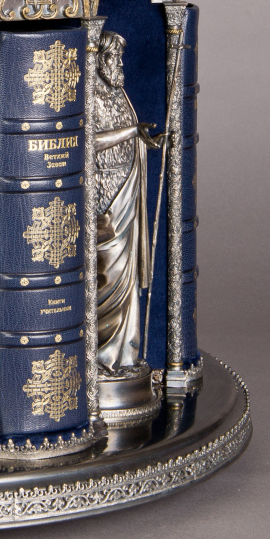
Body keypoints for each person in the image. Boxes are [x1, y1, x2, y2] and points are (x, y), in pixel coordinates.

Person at [93, 29, 162, 373]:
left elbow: (130, 134)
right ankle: (100, 358)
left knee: (128, 277)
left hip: (127, 189)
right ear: (97, 60)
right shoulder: (88, 95)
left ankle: (125, 356)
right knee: (108, 273)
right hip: (104, 196)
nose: (119, 64)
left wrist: (145, 140)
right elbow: (89, 142)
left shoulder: (119, 93)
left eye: (120, 58)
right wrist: (133, 132)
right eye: (112, 57)